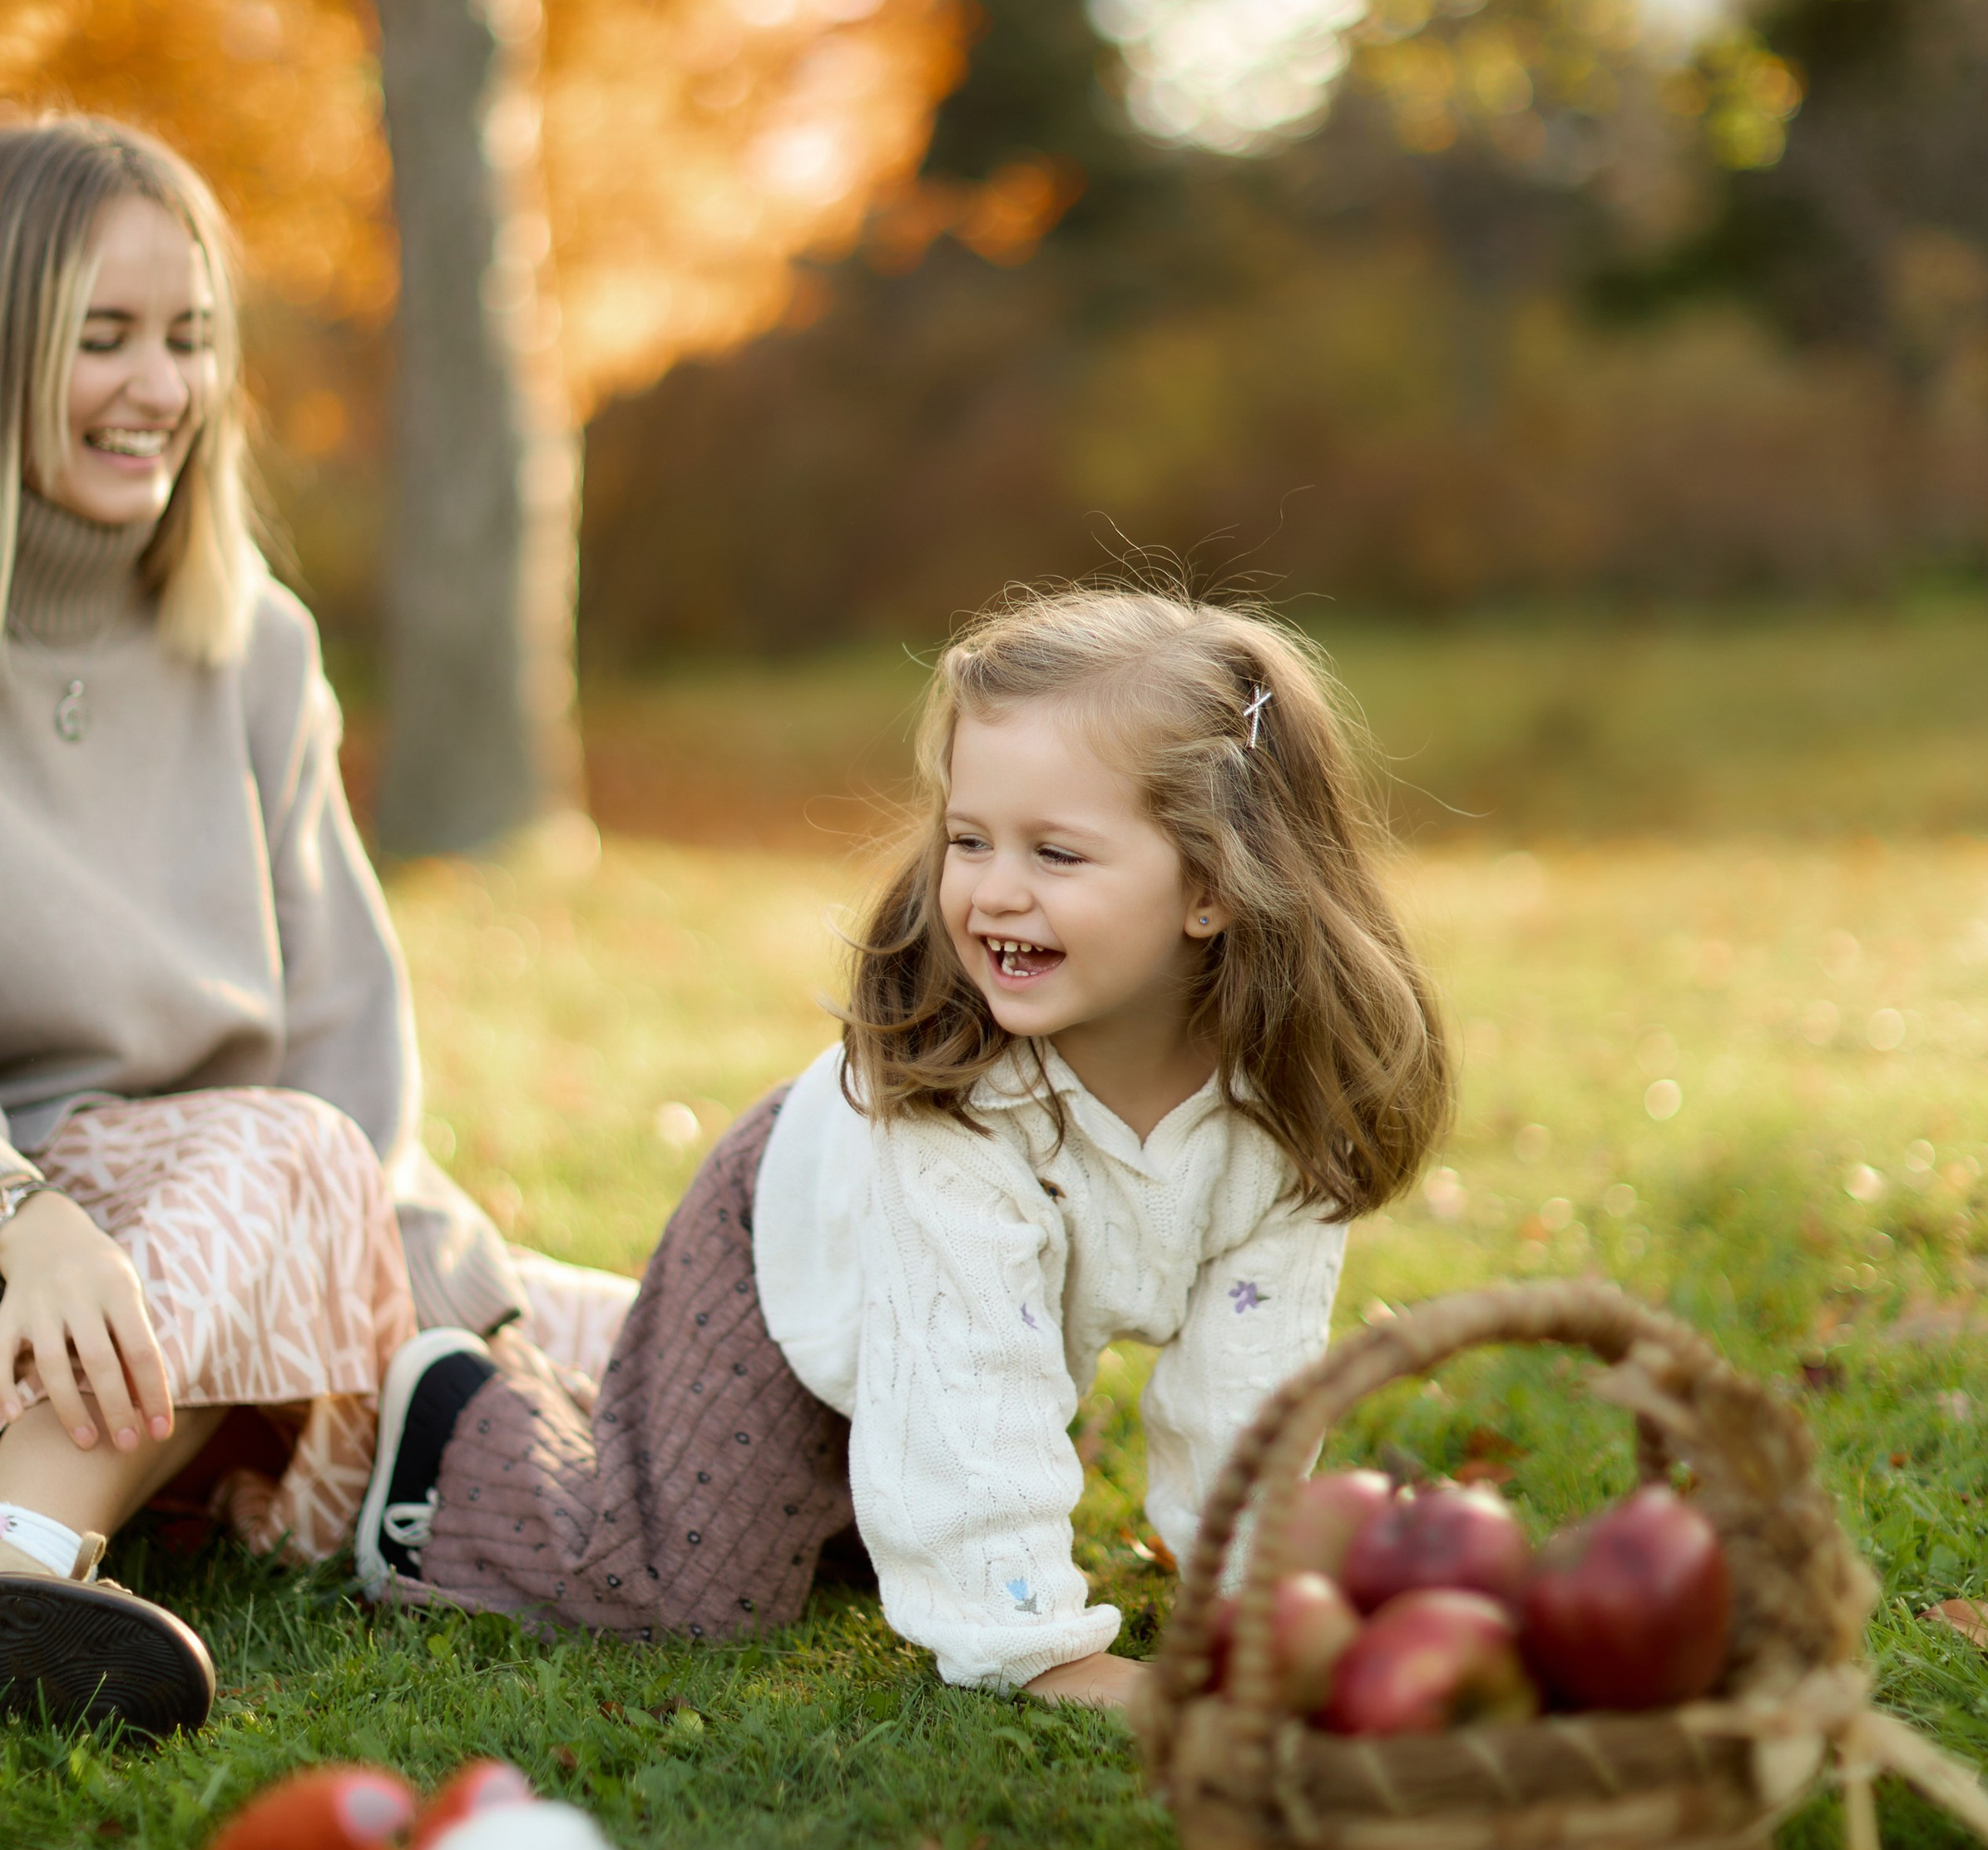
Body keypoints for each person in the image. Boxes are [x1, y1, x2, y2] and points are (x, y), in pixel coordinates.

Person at [359, 587, 1452, 1706]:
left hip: (944, 1324)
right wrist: (1046, 1655)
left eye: (1057, 855)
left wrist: (1251, 1593)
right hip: (782, 1253)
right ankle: (462, 1420)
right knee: (688, 1594)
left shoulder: (1284, 1106)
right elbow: (972, 1391)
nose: (991, 892)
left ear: (1213, 889)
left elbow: (1250, 1380)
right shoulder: (958, 1104)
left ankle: (620, 1371)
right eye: (969, 840)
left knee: (843, 1539)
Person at [0, 117, 631, 1738]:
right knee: (277, 1159)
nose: (158, 386)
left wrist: (462, 1300)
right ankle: (0, 1586)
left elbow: (342, 1043)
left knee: (638, 1337)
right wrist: (21, 1221)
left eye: (187, 339)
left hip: (270, 1263)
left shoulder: (249, 642)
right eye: (98, 337)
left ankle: (927, 1513)